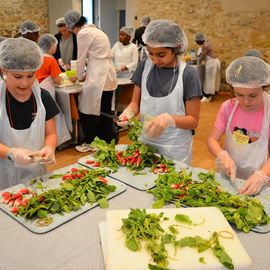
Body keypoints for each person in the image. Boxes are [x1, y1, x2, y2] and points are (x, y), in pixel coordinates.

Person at [118, 19, 202, 164]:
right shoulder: (145, 66)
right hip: (146, 142)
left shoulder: (188, 74)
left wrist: (169, 119)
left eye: (161, 55)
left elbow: (193, 121)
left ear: (176, 48)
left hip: (174, 147)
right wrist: (128, 113)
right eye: (150, 53)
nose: (155, 60)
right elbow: (134, 102)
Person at [0, 38, 59, 189]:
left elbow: (50, 134)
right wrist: (12, 153)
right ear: (4, 70)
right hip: (4, 175)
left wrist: (49, 148)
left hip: (37, 174)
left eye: (30, 76)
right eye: (18, 76)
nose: (24, 83)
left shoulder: (43, 97)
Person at [206, 56, 270, 196]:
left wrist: (262, 175)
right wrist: (222, 154)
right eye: (239, 95)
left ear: (264, 88)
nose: (246, 101)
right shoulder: (228, 107)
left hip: (260, 181)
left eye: (253, 95)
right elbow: (211, 140)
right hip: (230, 178)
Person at [64, 10, 118, 152]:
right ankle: (107, 141)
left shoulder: (83, 33)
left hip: (99, 75)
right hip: (108, 74)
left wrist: (77, 76)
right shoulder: (96, 30)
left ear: (71, 26)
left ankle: (90, 142)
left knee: (85, 108)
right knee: (105, 111)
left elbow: (81, 58)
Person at [36, 34, 71, 146]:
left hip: (37, 88)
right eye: (55, 46)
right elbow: (57, 80)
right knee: (54, 114)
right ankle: (58, 141)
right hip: (47, 90)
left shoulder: (37, 57)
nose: (56, 48)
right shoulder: (51, 60)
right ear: (51, 47)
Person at [194, 32, 220, 102]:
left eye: (197, 42)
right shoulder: (207, 43)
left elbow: (203, 56)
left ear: (200, 40)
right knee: (210, 80)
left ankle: (207, 96)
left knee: (209, 80)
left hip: (211, 63)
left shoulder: (206, 45)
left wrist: (198, 62)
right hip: (212, 62)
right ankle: (209, 96)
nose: (197, 43)